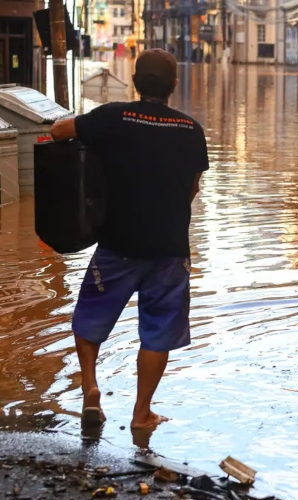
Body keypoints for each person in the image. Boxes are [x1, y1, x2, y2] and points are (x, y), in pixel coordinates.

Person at [50, 49, 209, 430]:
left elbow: (58, 132)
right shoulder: (191, 130)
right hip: (169, 250)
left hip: (117, 245)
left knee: (89, 318)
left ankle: (90, 388)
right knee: (158, 332)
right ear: (174, 85)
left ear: (135, 82)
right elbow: (192, 188)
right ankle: (142, 414)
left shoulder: (113, 117)